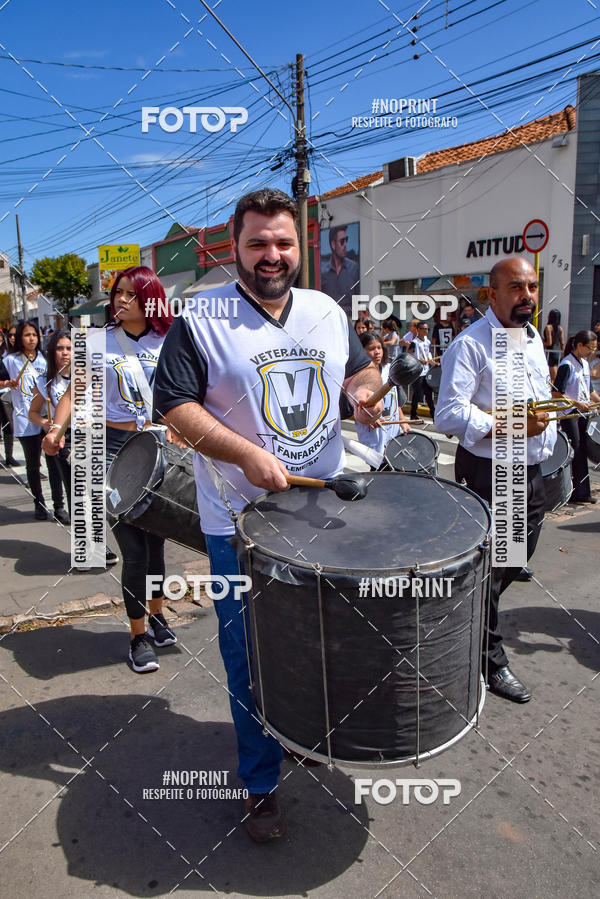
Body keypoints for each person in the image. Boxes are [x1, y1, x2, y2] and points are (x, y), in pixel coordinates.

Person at [152, 188, 383, 842]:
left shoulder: (324, 310)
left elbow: (360, 375)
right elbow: (175, 405)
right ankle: (259, 782)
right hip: (241, 525)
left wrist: (364, 397)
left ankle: (300, 731)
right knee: (249, 655)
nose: (272, 255)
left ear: (299, 245)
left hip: (322, 512)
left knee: (316, 645)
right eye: (257, 243)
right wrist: (245, 453)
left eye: (283, 242)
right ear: (235, 248)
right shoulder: (202, 317)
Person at [435, 257, 556, 704]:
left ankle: (464, 623)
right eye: (516, 287)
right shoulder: (470, 345)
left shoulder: (533, 339)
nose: (527, 295)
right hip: (493, 470)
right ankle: (490, 660)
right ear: (492, 294)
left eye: (533, 286)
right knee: (492, 569)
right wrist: (511, 425)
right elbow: (447, 413)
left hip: (531, 470)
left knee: (507, 565)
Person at [43, 266, 176, 671]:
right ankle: (137, 636)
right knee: (133, 549)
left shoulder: (170, 339)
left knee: (156, 543)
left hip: (157, 446)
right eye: (117, 292)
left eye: (131, 295)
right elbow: (73, 391)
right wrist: (55, 428)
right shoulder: (95, 340)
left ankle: (157, 614)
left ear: (150, 299)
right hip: (110, 449)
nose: (120, 300)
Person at [0, 321, 67, 521]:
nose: (32, 339)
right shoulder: (10, 361)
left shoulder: (46, 358)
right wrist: (6, 383)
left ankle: (59, 506)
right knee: (32, 465)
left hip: (48, 418)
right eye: (27, 335)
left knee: (54, 463)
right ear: (20, 338)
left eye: (35, 335)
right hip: (24, 416)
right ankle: (39, 504)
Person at [553, 330, 600, 504]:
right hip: (569, 413)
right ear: (579, 345)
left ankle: (583, 492)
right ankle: (576, 491)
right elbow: (556, 393)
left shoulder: (585, 364)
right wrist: (576, 403)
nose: (592, 352)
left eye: (594, 349)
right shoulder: (567, 364)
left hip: (582, 413)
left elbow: (590, 391)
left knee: (583, 450)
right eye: (590, 348)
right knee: (577, 450)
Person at [355, 332, 409, 461]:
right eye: (371, 349)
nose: (377, 352)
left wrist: (403, 421)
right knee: (378, 471)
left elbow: (395, 401)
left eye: (379, 348)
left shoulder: (390, 370)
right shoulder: (357, 376)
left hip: (392, 432)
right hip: (373, 436)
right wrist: (369, 419)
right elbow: (351, 410)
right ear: (362, 351)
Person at [320, 225, 360, 316]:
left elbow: (358, 300)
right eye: (342, 241)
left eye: (346, 240)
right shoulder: (323, 273)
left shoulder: (354, 269)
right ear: (333, 245)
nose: (345, 245)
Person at [410, 322, 439, 421]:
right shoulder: (414, 343)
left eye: (427, 329)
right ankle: (413, 414)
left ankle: (433, 414)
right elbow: (409, 355)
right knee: (417, 393)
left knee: (428, 393)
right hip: (417, 372)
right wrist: (418, 361)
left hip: (426, 371)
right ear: (418, 330)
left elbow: (428, 353)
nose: (426, 331)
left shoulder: (427, 341)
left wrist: (433, 362)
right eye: (423, 329)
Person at [0, 327, 19, 466]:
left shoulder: (8, 355)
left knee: (9, 424)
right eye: (10, 335)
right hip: (4, 391)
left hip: (8, 395)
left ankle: (9, 456)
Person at [543, 309, 565, 383]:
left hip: (550, 353)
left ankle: (554, 392)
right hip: (557, 352)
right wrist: (564, 353)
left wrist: (541, 343)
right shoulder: (560, 328)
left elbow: (549, 343)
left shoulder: (548, 327)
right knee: (555, 375)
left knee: (553, 378)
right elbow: (562, 342)